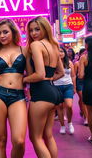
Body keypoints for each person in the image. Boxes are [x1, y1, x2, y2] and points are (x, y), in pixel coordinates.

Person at [0, 19, 28, 158]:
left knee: (19, 141)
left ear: (13, 32)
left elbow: (31, 74)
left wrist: (23, 80)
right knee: (0, 141)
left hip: (18, 96)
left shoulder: (24, 50)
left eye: (5, 32)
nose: (2, 36)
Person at [24, 16, 64, 158]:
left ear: (45, 29)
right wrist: (49, 78)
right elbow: (61, 72)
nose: (33, 33)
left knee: (36, 138)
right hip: (53, 92)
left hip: (41, 93)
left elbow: (39, 74)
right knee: (48, 136)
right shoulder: (54, 46)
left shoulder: (36, 45)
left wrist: (23, 80)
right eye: (31, 30)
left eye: (37, 29)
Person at [54, 46, 76, 135]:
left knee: (69, 105)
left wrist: (74, 87)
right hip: (56, 86)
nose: (60, 53)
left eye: (62, 51)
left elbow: (73, 76)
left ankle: (70, 123)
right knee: (59, 107)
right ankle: (62, 125)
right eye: (58, 51)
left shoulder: (69, 63)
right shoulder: (53, 63)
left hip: (68, 86)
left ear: (65, 53)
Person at [74, 48, 88, 125]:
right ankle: (86, 118)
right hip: (80, 83)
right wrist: (74, 86)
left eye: (85, 53)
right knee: (83, 99)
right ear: (80, 55)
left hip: (87, 82)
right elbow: (74, 75)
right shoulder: (76, 63)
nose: (84, 55)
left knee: (84, 100)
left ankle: (82, 110)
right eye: (83, 54)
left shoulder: (89, 62)